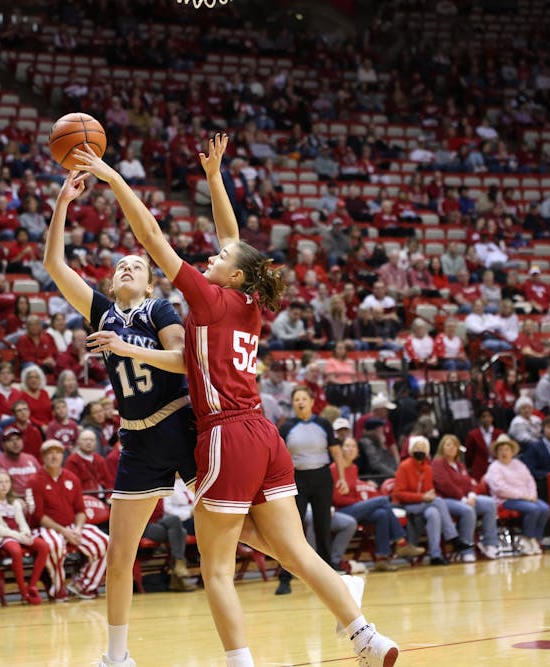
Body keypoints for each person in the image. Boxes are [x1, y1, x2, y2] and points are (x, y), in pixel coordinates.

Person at [72, 135, 399, 667]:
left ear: (234, 274)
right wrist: (215, 178)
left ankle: (239, 664)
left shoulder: (206, 296)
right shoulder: (249, 302)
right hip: (266, 435)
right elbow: (234, 237)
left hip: (225, 433)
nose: (211, 256)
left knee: (217, 571)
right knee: (294, 551)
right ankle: (368, 637)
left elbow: (151, 236)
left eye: (218, 258)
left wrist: (112, 180)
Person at [44, 152, 201, 667]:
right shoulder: (101, 309)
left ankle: (311, 570)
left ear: (150, 282)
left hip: (180, 425)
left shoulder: (158, 308)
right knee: (119, 552)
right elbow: (54, 266)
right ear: (112, 284)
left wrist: (129, 346)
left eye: (137, 264)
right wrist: (63, 204)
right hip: (136, 438)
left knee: (240, 531)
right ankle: (116, 658)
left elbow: (183, 361)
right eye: (120, 266)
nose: (128, 265)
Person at [275, 385, 347, 594]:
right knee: (292, 528)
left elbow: (337, 452)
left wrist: (342, 478)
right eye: (296, 399)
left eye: (304, 398)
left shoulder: (323, 424)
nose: (300, 402)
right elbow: (280, 458)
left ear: (312, 402)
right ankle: (285, 576)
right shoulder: (287, 427)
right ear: (293, 403)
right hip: (297, 480)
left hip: (322, 478)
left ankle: (327, 572)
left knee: (322, 525)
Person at [27, 439, 109, 602]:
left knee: (105, 541)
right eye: (50, 453)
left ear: (63, 455)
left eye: (57, 452)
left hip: (72, 526)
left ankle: (82, 585)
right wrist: (64, 532)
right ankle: (58, 589)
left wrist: (77, 530)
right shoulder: (35, 480)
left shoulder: (72, 478)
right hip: (44, 528)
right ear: (43, 456)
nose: (54, 456)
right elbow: (39, 516)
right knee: (55, 544)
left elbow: (80, 510)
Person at [331, 435, 424, 569]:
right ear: (340, 449)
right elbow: (336, 499)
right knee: (382, 500)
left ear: (358, 452)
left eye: (353, 446)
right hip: (341, 512)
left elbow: (352, 491)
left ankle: (382, 558)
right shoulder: (334, 469)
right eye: (347, 446)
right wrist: (357, 501)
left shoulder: (354, 468)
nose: (350, 449)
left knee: (381, 513)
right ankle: (401, 542)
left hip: (355, 508)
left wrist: (361, 490)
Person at [392, 436, 473, 565]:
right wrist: (422, 497)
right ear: (411, 450)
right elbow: (398, 494)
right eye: (417, 447)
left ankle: (435, 555)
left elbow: (429, 492)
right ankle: (453, 537)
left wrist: (426, 497)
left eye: (423, 448)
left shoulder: (428, 469)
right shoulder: (404, 466)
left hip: (423, 505)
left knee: (433, 513)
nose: (420, 450)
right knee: (439, 501)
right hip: (407, 505)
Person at [0, 470, 50, 605]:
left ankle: (32, 585)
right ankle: (22, 591)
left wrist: (25, 533)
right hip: (2, 537)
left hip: (18, 535)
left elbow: (22, 523)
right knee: (15, 550)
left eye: (7, 482)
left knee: (43, 546)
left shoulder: (15, 503)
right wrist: (18, 536)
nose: (4, 485)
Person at [431, 434, 500, 561]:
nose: (452, 448)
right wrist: (463, 499)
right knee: (467, 510)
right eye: (448, 445)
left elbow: (470, 483)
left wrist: (472, 495)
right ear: (442, 447)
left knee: (490, 503)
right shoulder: (437, 463)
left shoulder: (460, 465)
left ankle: (491, 544)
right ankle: (466, 550)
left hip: (465, 498)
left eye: (455, 445)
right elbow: (445, 485)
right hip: (446, 500)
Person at [484, 434, 550, 556]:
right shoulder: (494, 467)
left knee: (545, 508)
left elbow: (530, 480)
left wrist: (532, 494)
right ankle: (527, 537)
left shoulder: (519, 464)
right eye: (501, 450)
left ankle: (536, 539)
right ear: (497, 452)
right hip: (506, 500)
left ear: (512, 451)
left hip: (527, 497)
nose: (504, 452)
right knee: (534, 509)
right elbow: (500, 489)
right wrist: (523, 496)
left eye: (507, 449)